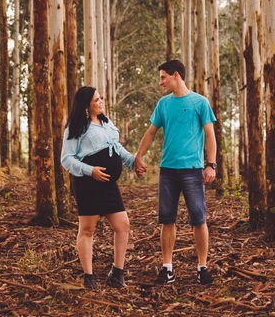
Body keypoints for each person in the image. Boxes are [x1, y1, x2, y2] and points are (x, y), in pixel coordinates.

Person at [133, 59, 217, 286]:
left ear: (176, 75)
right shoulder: (163, 104)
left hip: (193, 170)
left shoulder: (200, 102)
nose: (160, 82)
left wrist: (211, 165)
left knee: (198, 219)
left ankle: (202, 268)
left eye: (163, 77)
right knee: (167, 219)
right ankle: (167, 269)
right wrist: (138, 156)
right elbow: (151, 132)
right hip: (168, 171)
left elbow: (210, 134)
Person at [60, 86, 136, 289]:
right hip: (87, 184)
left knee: (123, 226)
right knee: (87, 230)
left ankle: (117, 273)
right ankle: (89, 277)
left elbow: (116, 148)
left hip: (109, 185)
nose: (101, 102)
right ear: (86, 105)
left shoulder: (106, 122)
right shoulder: (76, 127)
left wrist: (133, 161)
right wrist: (90, 170)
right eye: (96, 100)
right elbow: (66, 159)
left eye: (100, 98)